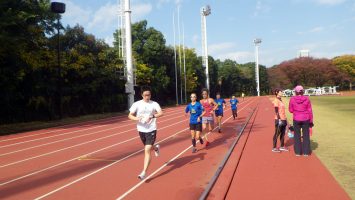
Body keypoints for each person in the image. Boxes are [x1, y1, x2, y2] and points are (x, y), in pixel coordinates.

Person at [128, 86, 163, 179]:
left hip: (151, 129)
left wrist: (152, 116)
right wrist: (137, 118)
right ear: (141, 95)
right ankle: (156, 148)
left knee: (147, 150)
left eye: (149, 95)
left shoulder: (154, 104)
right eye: (145, 95)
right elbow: (129, 115)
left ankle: (144, 172)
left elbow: (161, 113)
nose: (147, 97)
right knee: (149, 147)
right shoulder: (136, 104)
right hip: (141, 129)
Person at [289, 85, 314, 157]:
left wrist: (296, 110)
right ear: (302, 91)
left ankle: (298, 152)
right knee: (306, 135)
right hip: (306, 118)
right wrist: (311, 121)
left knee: (297, 135)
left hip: (296, 118)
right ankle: (306, 152)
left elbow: (290, 110)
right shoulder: (307, 99)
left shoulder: (292, 99)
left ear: (296, 92)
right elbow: (310, 110)